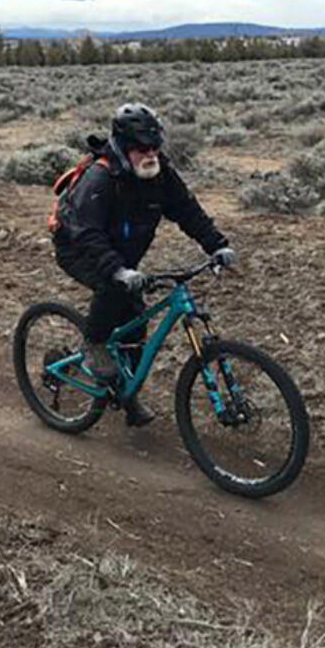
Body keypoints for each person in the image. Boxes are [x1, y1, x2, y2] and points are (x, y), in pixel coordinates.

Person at [51, 103, 235, 426]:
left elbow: (186, 209)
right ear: (123, 147)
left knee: (136, 321)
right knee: (113, 288)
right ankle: (93, 343)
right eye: (140, 148)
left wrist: (217, 245)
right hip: (79, 248)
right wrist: (118, 270)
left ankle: (128, 394)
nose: (149, 154)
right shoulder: (101, 178)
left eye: (154, 147)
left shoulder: (159, 172)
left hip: (122, 252)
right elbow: (87, 233)